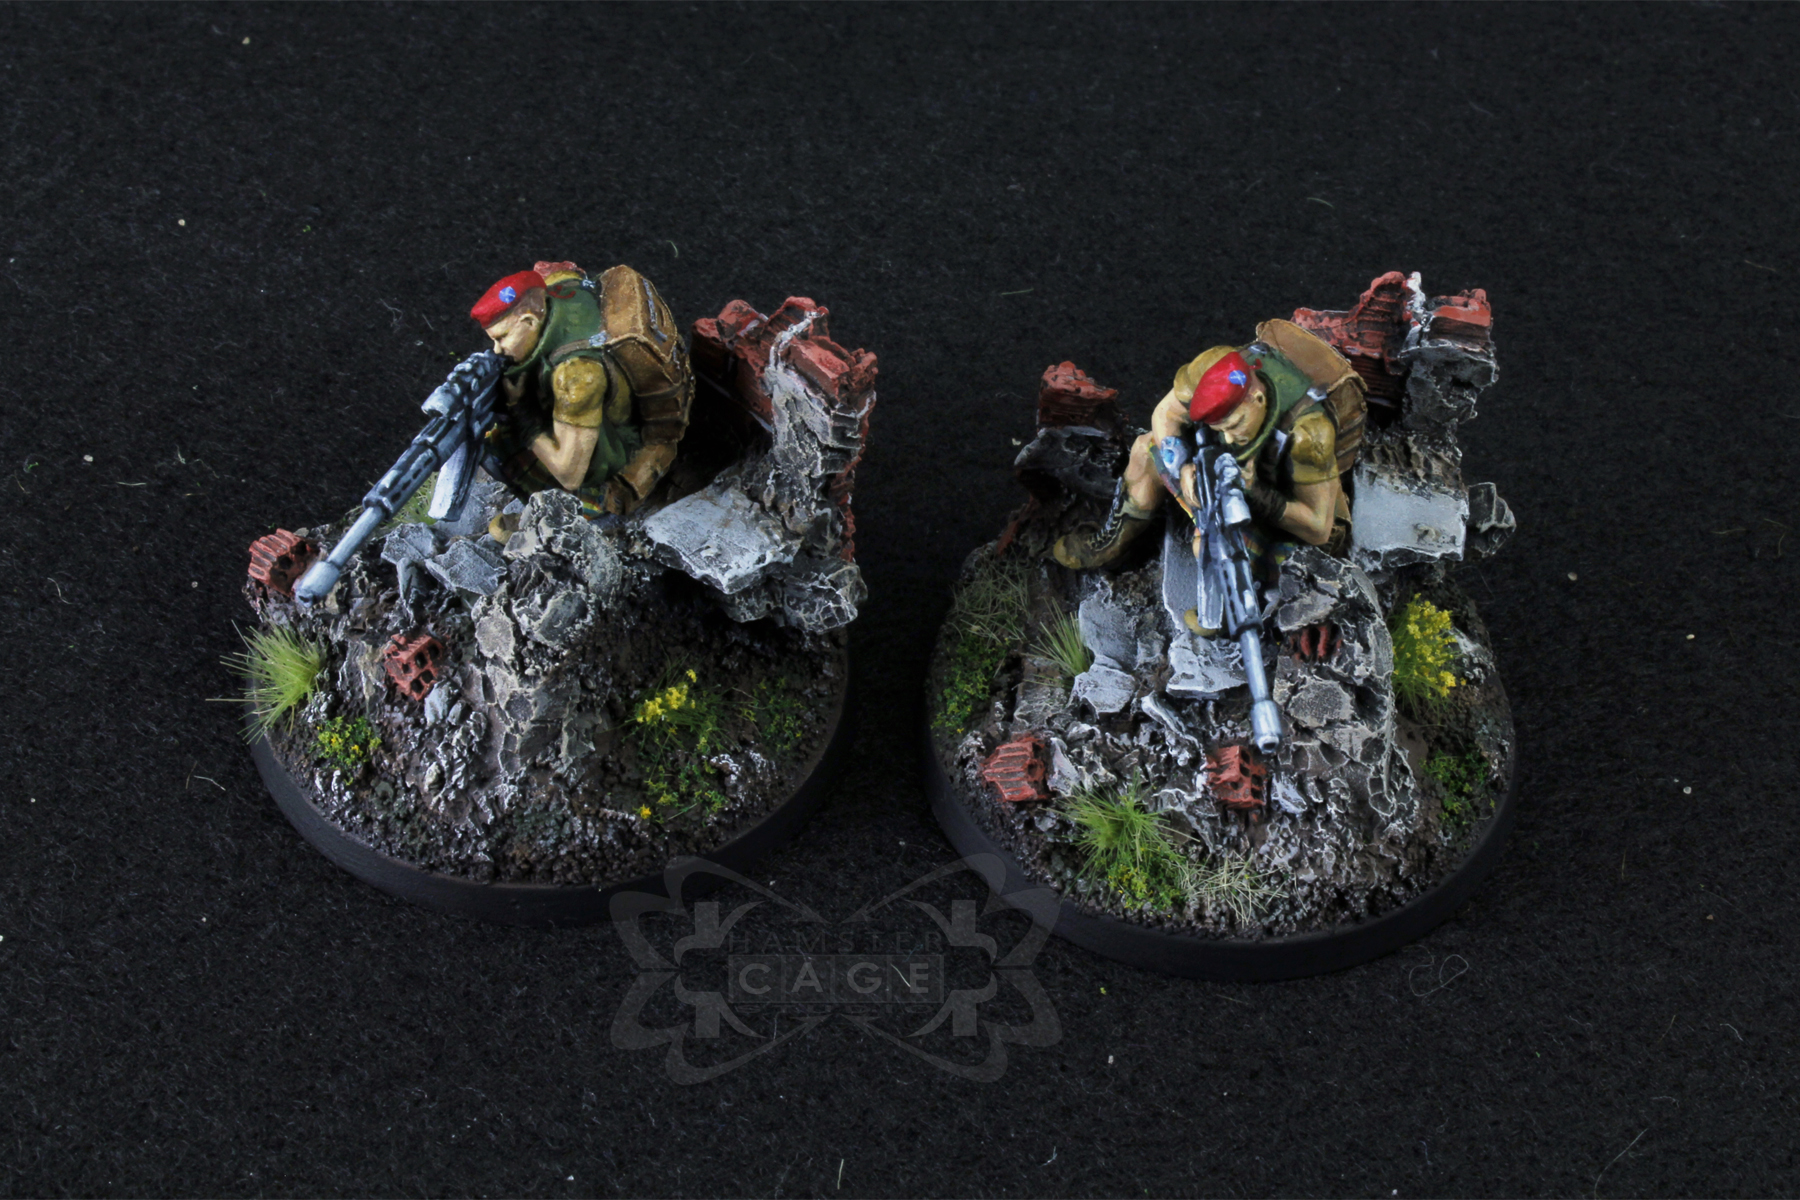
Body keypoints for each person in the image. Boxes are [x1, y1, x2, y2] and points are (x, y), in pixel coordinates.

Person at [1053, 319, 1362, 581]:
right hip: (1222, 475)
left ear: (1257, 398)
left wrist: (1256, 494)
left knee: (1212, 547)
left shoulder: (1309, 434)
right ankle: (1114, 544)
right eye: (1220, 428)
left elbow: (1318, 530)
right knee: (1145, 449)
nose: (1228, 436)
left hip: (1285, 511)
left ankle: (1231, 613)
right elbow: (1166, 414)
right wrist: (1181, 466)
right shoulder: (1211, 373)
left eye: (1235, 424)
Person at [471, 260, 693, 524]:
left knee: (498, 444)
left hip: (611, 451)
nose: (497, 350)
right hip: (602, 407)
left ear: (530, 321)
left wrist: (523, 413)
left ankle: (576, 512)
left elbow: (569, 474)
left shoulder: (576, 376)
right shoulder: (561, 289)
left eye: (502, 338)